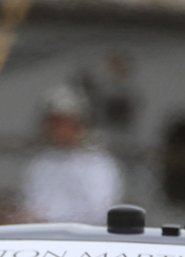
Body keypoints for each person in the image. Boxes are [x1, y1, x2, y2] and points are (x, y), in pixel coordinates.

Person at [20, 85, 124, 224]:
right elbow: (34, 204)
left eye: (60, 123)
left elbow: (101, 210)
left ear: (78, 124)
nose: (54, 130)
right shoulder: (41, 163)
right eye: (51, 123)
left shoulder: (98, 164)